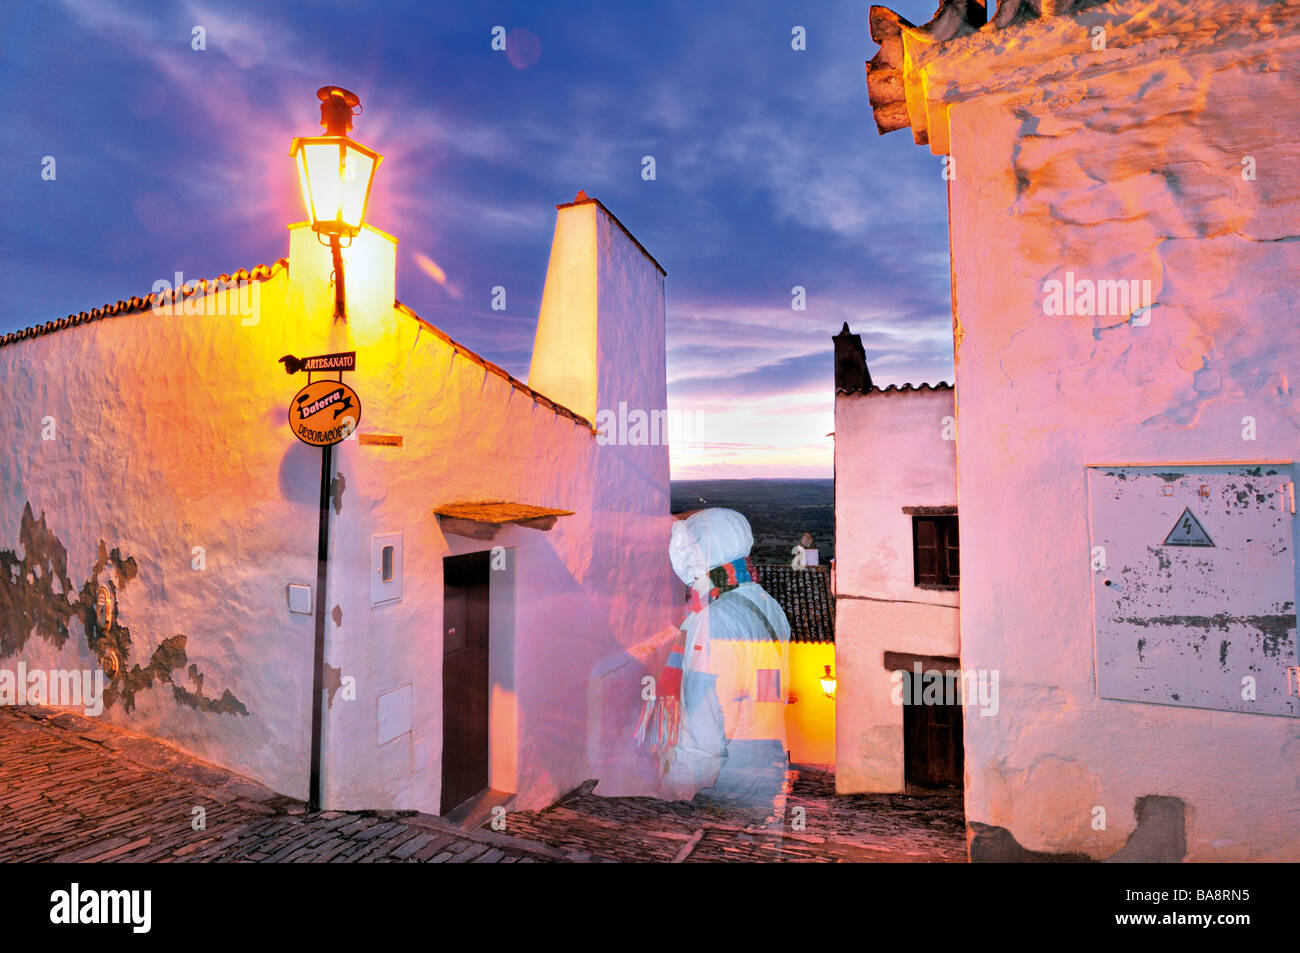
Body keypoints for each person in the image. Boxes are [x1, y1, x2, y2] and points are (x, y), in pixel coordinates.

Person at [637, 508, 791, 811]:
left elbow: (705, 729)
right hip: (763, 765)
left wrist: (673, 791)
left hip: (725, 785)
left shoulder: (715, 619)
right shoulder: (765, 603)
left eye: (689, 550)